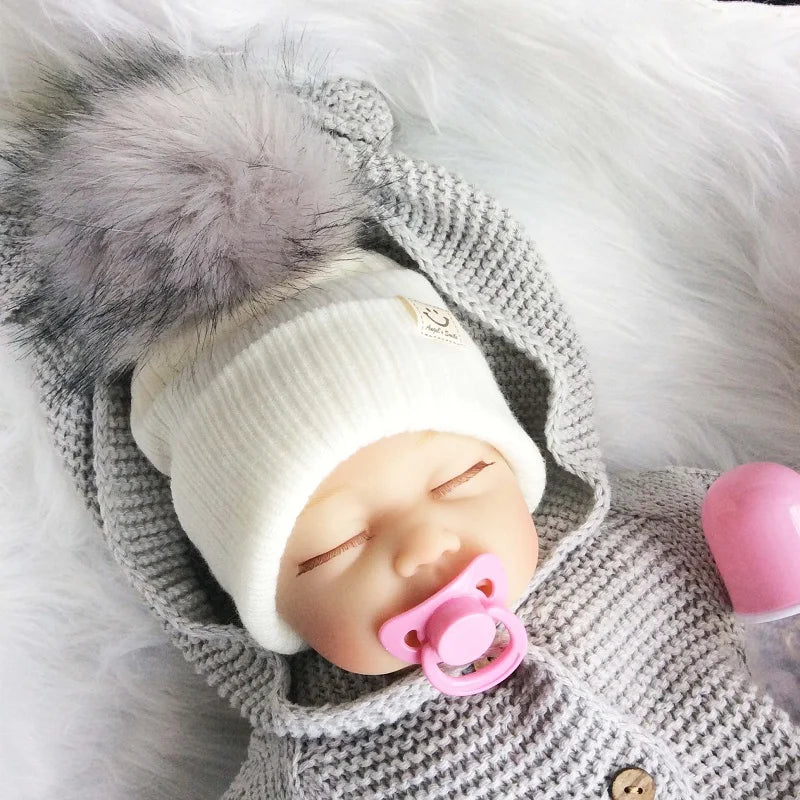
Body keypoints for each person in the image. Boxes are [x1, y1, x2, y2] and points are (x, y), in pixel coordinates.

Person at [1, 42, 797, 799]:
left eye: (460, 477)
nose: (422, 545)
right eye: (338, 546)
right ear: (263, 607)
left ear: (518, 458)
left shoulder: (656, 535)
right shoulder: (322, 768)